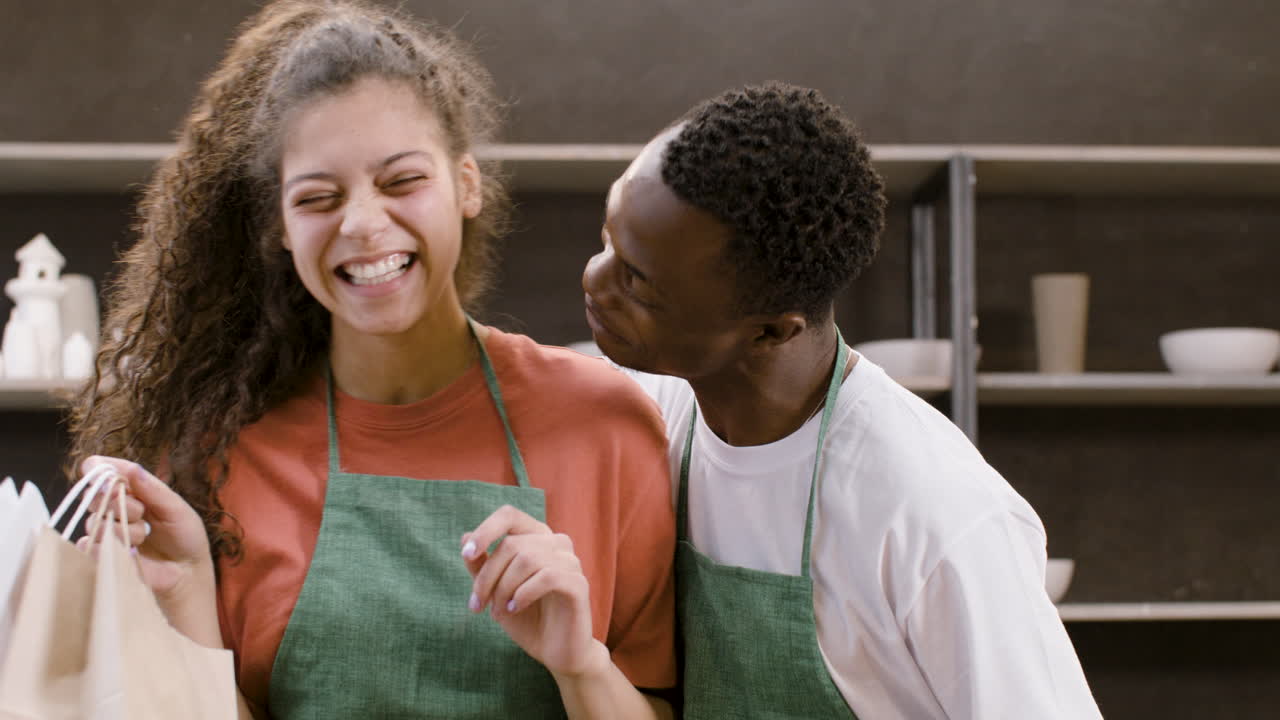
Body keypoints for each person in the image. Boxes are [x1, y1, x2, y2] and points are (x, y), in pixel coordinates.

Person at [67, 1, 676, 718]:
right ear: (281, 227)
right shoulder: (216, 451)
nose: (362, 224)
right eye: (318, 198)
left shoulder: (606, 426)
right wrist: (185, 598)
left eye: (401, 182)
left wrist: (582, 667)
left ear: (467, 184)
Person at [582, 82, 1103, 719]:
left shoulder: (933, 510)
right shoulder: (649, 411)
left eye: (638, 283)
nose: (595, 280)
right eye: (607, 239)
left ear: (771, 331)